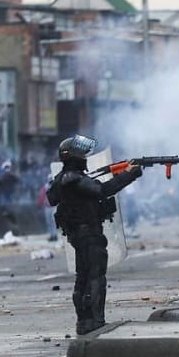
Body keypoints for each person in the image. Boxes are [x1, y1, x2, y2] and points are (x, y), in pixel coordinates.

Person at [47, 135, 143, 335]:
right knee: (95, 276)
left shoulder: (62, 180)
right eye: (81, 155)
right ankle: (94, 320)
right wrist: (128, 175)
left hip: (78, 234)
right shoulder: (74, 179)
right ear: (72, 157)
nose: (84, 158)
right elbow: (103, 190)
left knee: (82, 278)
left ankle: (84, 321)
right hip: (88, 233)